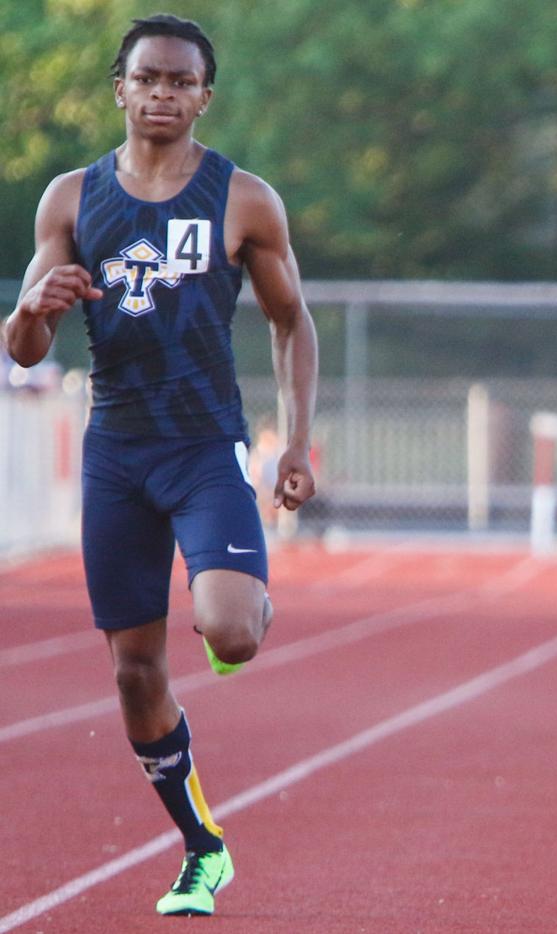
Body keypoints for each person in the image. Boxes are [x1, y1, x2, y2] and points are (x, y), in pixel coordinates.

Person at [2, 14, 318, 916]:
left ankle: (245, 594)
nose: (164, 94)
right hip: (116, 457)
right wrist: (36, 305)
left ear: (203, 97)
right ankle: (201, 846)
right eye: (149, 79)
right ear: (121, 88)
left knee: (232, 634)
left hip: (203, 447)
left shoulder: (243, 199)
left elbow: (291, 320)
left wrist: (294, 440)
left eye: (182, 82)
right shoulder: (70, 198)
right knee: (134, 674)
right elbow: (23, 348)